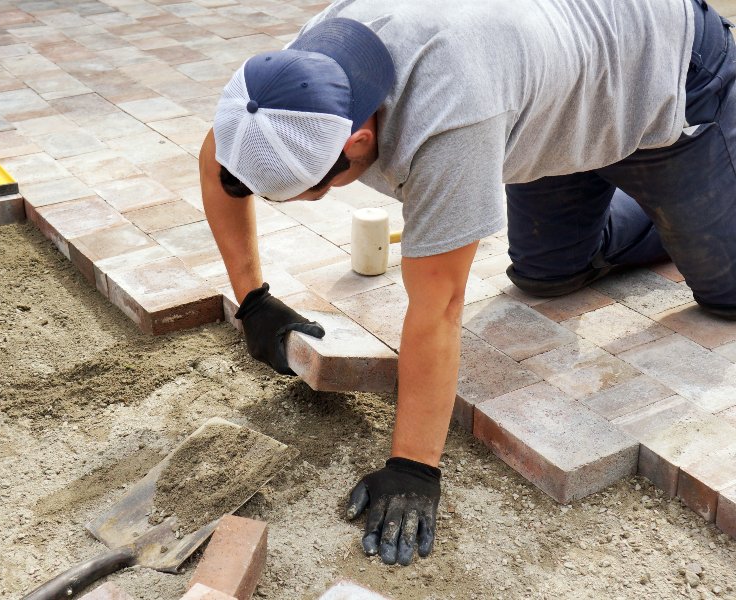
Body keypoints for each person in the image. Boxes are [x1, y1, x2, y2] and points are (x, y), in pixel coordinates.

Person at [198, 0, 736, 566]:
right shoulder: (292, 87)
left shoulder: (450, 119)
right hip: (554, 95)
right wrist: (254, 300)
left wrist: (412, 465)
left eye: (315, 188)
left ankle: (707, 180)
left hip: (664, 74)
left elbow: (439, 306)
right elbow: (220, 158)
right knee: (548, 277)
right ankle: (658, 201)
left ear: (355, 140)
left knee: (728, 294)